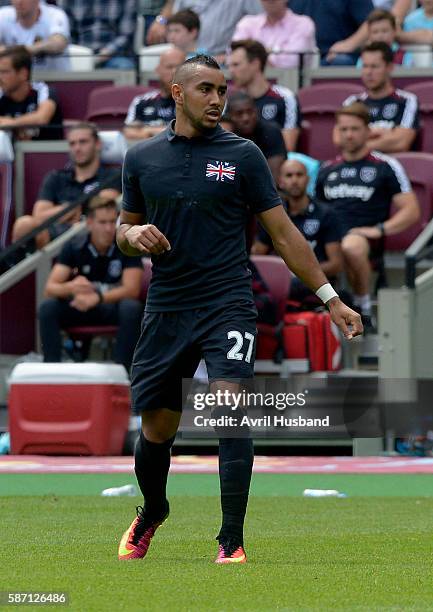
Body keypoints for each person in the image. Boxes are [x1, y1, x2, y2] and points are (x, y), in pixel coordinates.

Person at [116, 54, 362, 564]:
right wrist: (131, 234)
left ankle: (231, 539)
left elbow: (284, 233)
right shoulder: (140, 159)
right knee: (157, 429)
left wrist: (330, 298)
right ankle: (153, 510)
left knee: (231, 409)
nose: (217, 98)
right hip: (167, 306)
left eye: (222, 89)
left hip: (228, 300)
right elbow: (123, 230)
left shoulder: (243, 155)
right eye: (205, 88)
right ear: (177, 93)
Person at [316, 102, 420, 327]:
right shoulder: (326, 169)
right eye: (344, 129)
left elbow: (412, 211)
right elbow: (316, 210)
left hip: (363, 237)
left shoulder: (385, 165)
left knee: (351, 245)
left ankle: (363, 305)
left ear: (367, 131)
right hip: (330, 237)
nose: (349, 135)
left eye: (355, 129)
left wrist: (378, 229)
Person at [38, 198, 143, 372]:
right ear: (89, 223)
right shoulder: (74, 246)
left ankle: (125, 373)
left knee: (131, 308)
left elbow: (132, 290)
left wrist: (98, 297)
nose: (109, 228)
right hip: (81, 306)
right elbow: (50, 289)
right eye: (102, 222)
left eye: (112, 222)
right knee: (48, 307)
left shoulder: (126, 245)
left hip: (110, 307)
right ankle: (51, 370)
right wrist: (72, 287)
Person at [12, 121, 121, 249]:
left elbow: (103, 205)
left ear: (97, 144)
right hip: (53, 234)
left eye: (83, 142)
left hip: (89, 232)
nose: (77, 148)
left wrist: (61, 212)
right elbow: (39, 216)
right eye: (72, 144)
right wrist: (71, 208)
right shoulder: (56, 177)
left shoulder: (113, 175)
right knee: (24, 224)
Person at [252, 159, 344, 301]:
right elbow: (258, 254)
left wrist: (300, 272)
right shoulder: (272, 215)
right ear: (280, 181)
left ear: (308, 179)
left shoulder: (326, 214)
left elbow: (335, 264)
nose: (294, 180)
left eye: (299, 175)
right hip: (279, 280)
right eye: (289, 176)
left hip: (313, 282)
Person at [342, 42, 419, 153]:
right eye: (365, 66)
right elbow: (341, 140)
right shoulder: (352, 102)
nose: (368, 72)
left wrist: (359, 143)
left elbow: (401, 143)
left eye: (374, 66)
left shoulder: (407, 100)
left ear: (390, 68)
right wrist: (386, 134)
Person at [228, 39, 301, 151]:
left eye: (236, 65)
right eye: (229, 66)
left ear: (255, 64)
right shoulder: (231, 101)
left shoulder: (285, 97)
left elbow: (287, 147)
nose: (231, 71)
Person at [145, 0, 263, 61]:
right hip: (183, 56)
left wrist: (232, 55)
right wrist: (161, 21)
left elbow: (261, 20)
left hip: (223, 60)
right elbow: (176, 18)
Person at [0, 45, 62, 140]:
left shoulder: (42, 91)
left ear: (23, 74)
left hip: (46, 152)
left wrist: (11, 123)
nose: (0, 77)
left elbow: (41, 118)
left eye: (4, 72)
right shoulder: (1, 93)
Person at [124, 47, 185, 141]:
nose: (174, 72)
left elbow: (191, 133)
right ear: (158, 70)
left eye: (179, 67)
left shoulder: (193, 102)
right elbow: (128, 132)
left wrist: (148, 131)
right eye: (169, 67)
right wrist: (169, 132)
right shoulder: (142, 101)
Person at [232, 0, 316, 68]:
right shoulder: (247, 23)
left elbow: (291, 63)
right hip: (248, 86)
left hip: (291, 86)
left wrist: (255, 56)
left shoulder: (303, 24)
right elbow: (234, 56)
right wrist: (268, 54)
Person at [289, 0, 374, 66]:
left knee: (341, 61)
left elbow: (371, 21)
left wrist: (349, 44)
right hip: (295, 56)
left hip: (333, 57)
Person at [57, 0, 136, 69]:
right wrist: (79, 52)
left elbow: (126, 34)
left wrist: (108, 51)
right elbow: (65, 33)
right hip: (79, 54)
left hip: (115, 55)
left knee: (124, 67)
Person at [226, 91, 286, 182]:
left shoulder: (271, 131)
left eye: (250, 112)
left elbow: (274, 180)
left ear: (257, 111)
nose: (246, 118)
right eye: (239, 114)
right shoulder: (226, 135)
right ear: (229, 116)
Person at [0, 0, 70, 71]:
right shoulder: (3, 14)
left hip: (54, 79)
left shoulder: (55, 14)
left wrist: (24, 51)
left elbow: (59, 43)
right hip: (17, 80)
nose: (19, 2)